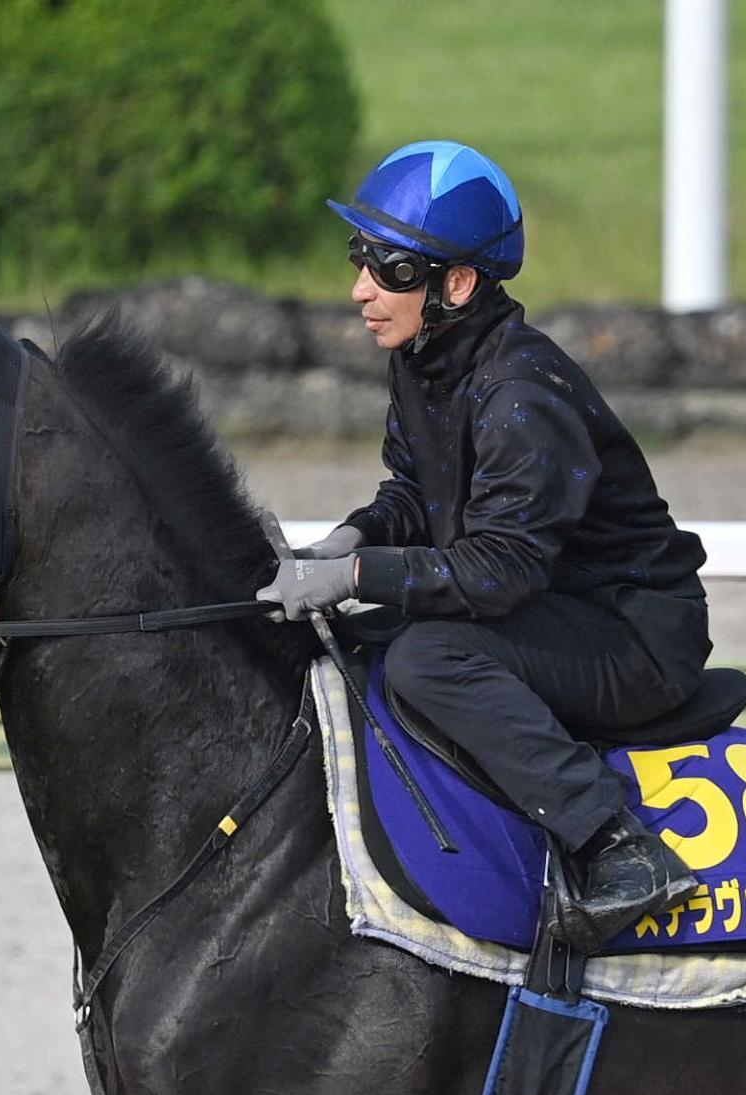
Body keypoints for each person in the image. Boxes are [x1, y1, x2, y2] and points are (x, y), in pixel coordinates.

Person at [257, 138, 709, 951]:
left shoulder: (521, 394)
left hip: (631, 635)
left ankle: (619, 847)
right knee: (363, 637)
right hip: (553, 609)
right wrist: (346, 541)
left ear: (456, 284)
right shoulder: (426, 356)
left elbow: (499, 571)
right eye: (361, 258)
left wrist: (356, 574)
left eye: (390, 270)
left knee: (429, 658)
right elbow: (414, 494)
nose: (361, 289)